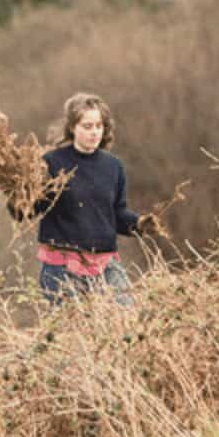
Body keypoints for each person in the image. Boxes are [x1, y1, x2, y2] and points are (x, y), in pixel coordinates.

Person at [13, 92, 153, 303]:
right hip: (61, 267)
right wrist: (18, 198)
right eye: (87, 126)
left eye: (99, 126)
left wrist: (139, 224)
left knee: (126, 321)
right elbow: (31, 209)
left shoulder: (113, 167)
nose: (94, 132)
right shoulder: (50, 162)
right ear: (72, 128)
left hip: (105, 265)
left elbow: (117, 214)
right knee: (70, 331)